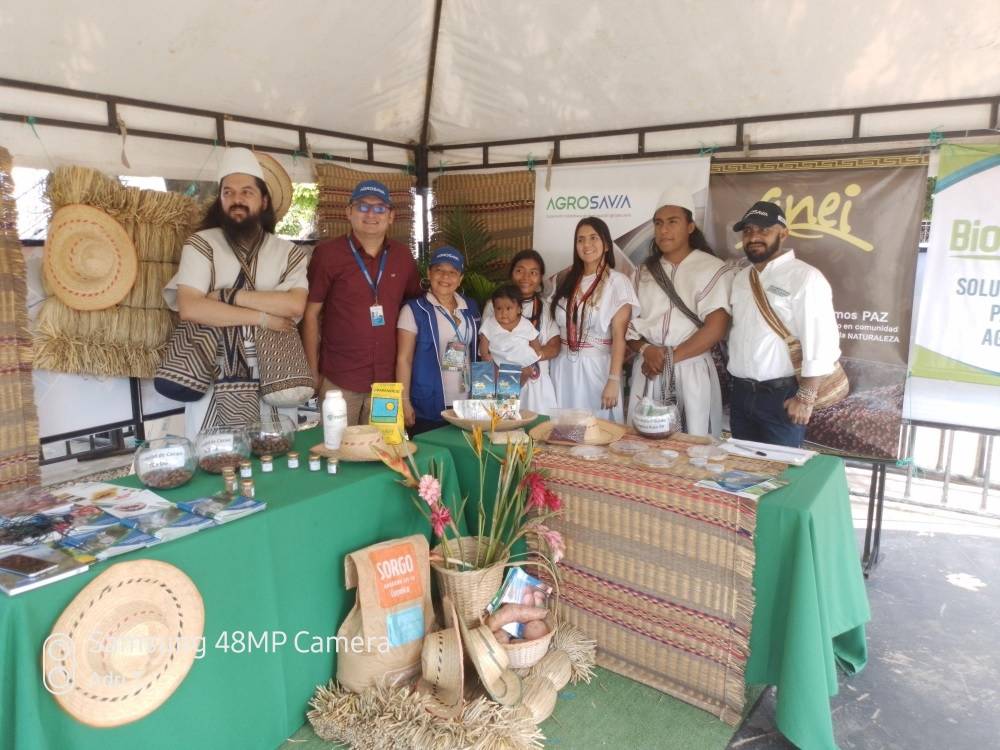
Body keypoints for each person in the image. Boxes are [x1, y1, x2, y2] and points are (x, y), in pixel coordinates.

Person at [163, 147, 308, 438]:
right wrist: (264, 318)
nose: (236, 200)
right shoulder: (201, 244)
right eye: (228, 192)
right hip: (211, 368)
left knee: (276, 454)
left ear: (263, 199)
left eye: (246, 192)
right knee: (215, 457)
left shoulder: (287, 252)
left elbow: (294, 305)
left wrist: (226, 296)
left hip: (275, 372)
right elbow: (191, 308)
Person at [303, 179, 421, 425]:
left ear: (390, 216)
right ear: (348, 212)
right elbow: (311, 314)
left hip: (388, 384)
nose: (371, 214)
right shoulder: (327, 255)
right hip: (340, 380)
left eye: (379, 208)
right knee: (337, 451)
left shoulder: (403, 257)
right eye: (362, 206)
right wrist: (313, 372)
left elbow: (413, 310)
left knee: (383, 454)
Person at [727, 201, 841, 447]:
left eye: (763, 230)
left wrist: (806, 397)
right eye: (748, 231)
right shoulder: (741, 279)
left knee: (781, 476)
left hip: (781, 397)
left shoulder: (805, 277)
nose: (754, 237)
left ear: (784, 233)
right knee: (740, 473)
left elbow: (822, 342)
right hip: (741, 394)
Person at [626, 189, 734, 437]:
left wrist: (669, 358)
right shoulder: (642, 272)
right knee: (644, 442)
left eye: (672, 222)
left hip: (691, 367)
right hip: (649, 368)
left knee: (693, 442)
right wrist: (646, 350)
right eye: (658, 223)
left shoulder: (713, 269)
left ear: (690, 227)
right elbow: (628, 328)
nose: (664, 230)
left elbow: (716, 327)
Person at [549, 217, 639, 422]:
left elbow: (619, 336)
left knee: (597, 432)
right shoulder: (564, 280)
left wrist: (614, 380)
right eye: (580, 240)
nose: (586, 245)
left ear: (606, 244)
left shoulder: (618, 282)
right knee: (563, 431)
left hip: (597, 369)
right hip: (562, 367)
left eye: (593, 238)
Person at [396, 246, 481, 435]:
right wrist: (404, 401)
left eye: (452, 272)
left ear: (460, 279)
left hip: (467, 403)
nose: (445, 277)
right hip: (428, 404)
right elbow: (404, 359)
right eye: (439, 270)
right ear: (429, 273)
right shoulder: (414, 310)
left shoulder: (470, 308)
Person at [482, 250, 560, 414]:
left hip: (536, 383)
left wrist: (530, 359)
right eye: (519, 270)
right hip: (503, 380)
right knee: (505, 431)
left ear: (540, 278)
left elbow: (554, 346)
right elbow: (486, 343)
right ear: (511, 274)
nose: (525, 277)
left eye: (533, 273)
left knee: (539, 434)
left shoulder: (545, 307)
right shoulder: (493, 305)